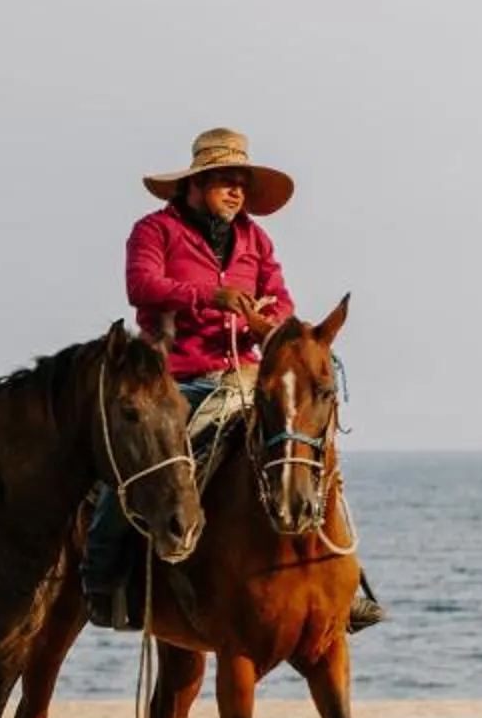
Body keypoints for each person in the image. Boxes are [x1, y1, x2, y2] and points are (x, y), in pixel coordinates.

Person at [84, 126, 381, 630]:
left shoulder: (255, 239)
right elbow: (143, 285)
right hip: (173, 377)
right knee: (145, 464)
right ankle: (103, 577)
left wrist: (271, 320)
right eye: (225, 179)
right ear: (194, 184)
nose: (236, 190)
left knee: (303, 448)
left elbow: (280, 295)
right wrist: (209, 296)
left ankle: (346, 583)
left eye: (241, 181)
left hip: (243, 374)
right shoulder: (155, 230)